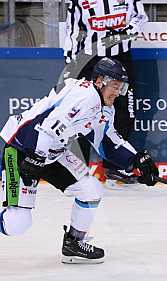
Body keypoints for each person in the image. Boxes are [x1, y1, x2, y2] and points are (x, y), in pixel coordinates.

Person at [0, 57, 158, 264]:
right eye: (115, 86)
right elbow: (46, 124)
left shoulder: (104, 108)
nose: (117, 93)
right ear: (99, 81)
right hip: (22, 148)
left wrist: (136, 161)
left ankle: (73, 243)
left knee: (91, 190)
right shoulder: (83, 96)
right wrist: (36, 157)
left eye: (121, 88)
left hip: (51, 151)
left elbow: (107, 142)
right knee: (17, 224)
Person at [63, 0, 148, 188]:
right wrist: (70, 62)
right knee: (82, 112)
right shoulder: (78, 1)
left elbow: (141, 16)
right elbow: (72, 30)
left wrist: (126, 32)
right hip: (89, 60)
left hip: (121, 57)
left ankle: (115, 167)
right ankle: (78, 168)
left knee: (125, 111)